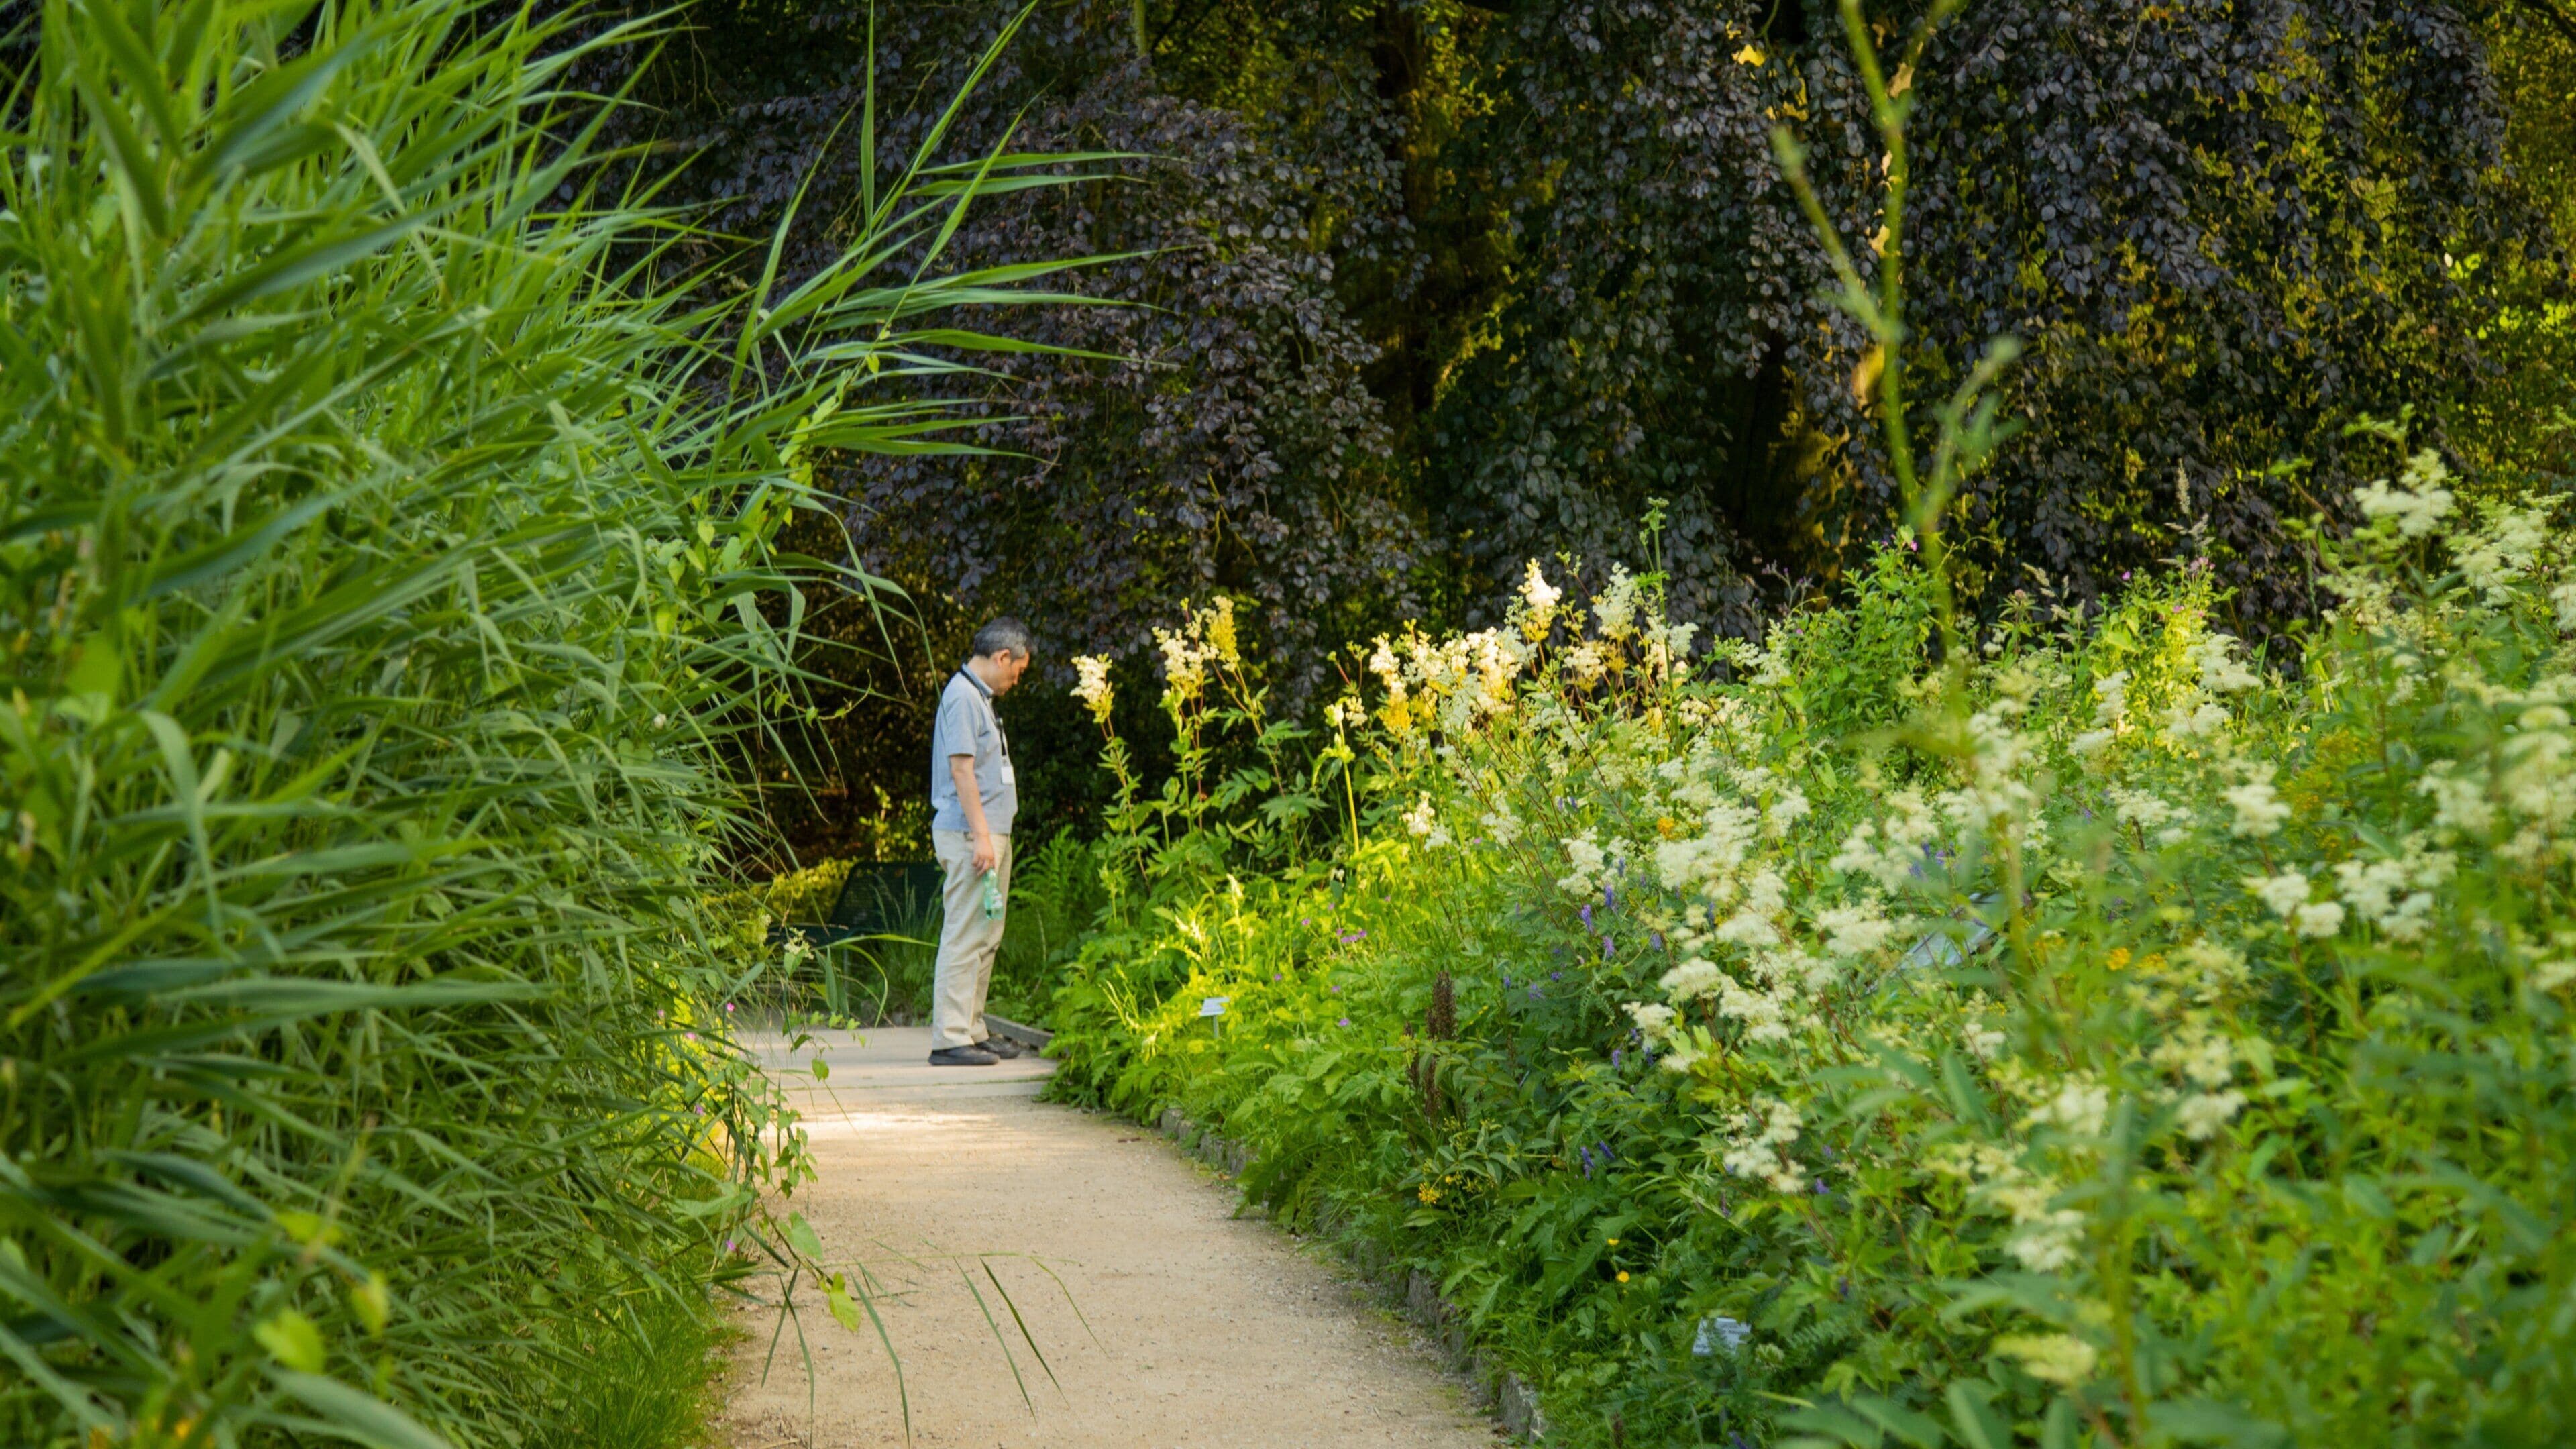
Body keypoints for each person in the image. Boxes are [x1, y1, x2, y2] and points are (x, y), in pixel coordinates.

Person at [926, 618, 1032, 1065]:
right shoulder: (964, 697)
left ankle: (972, 1028)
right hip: (973, 833)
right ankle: (951, 1037)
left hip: (987, 831)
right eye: (1018, 671)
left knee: (986, 932)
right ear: (1002, 657)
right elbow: (962, 771)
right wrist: (983, 837)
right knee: (967, 931)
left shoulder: (979, 698)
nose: (1016, 680)